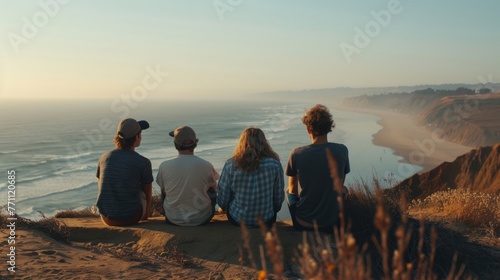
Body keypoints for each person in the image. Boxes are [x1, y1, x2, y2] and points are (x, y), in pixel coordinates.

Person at [286, 104, 350, 233]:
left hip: (303, 223)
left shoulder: (297, 153)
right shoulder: (342, 150)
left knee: (288, 191)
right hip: (332, 223)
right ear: (329, 128)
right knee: (343, 189)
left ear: (308, 129)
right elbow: (340, 184)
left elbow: (293, 189)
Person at [217, 127, 284, 228]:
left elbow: (223, 198)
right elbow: (278, 197)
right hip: (266, 220)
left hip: (238, 219)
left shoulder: (231, 165)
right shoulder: (274, 164)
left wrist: (224, 207)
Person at [156, 125, 219, 226]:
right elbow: (215, 190)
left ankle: (170, 212)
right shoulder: (206, 165)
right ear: (195, 143)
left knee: (165, 191)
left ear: (175, 144)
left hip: (173, 219)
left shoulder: (164, 165)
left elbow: (164, 192)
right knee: (211, 190)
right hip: (201, 219)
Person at [96, 118, 153, 226]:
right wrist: (145, 213)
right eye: (140, 134)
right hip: (131, 217)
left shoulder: (104, 157)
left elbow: (100, 184)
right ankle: (144, 214)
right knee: (142, 190)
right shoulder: (143, 162)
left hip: (106, 218)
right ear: (137, 137)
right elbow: (148, 192)